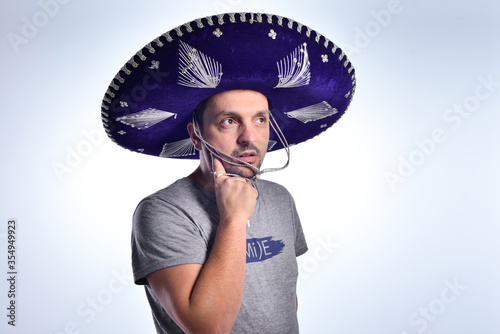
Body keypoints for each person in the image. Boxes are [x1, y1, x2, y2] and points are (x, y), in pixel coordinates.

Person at [101, 12, 355, 333]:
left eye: (260, 119)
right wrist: (233, 219)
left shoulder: (279, 198)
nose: (249, 137)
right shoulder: (162, 211)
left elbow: (282, 301)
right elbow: (208, 328)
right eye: (229, 121)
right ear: (196, 135)